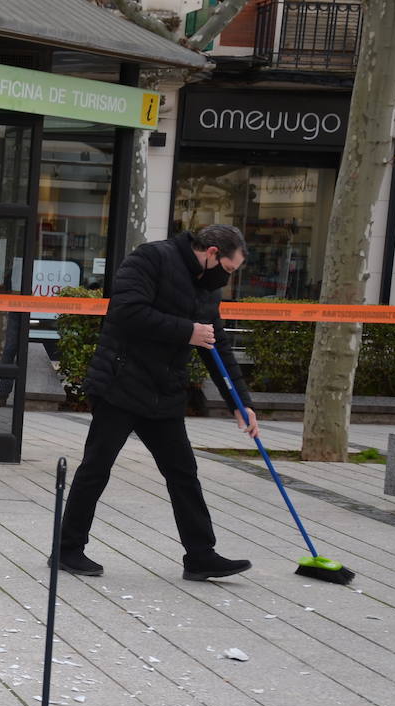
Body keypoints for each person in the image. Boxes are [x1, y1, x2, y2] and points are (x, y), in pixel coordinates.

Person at [57, 224, 259, 582]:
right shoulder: (151, 258)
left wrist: (240, 403)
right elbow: (126, 312)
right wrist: (187, 331)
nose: (226, 281)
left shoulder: (206, 287)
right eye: (228, 270)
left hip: (163, 390)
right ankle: (68, 550)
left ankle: (200, 556)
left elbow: (217, 345)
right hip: (120, 383)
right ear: (212, 253)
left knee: (183, 472)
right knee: (96, 468)